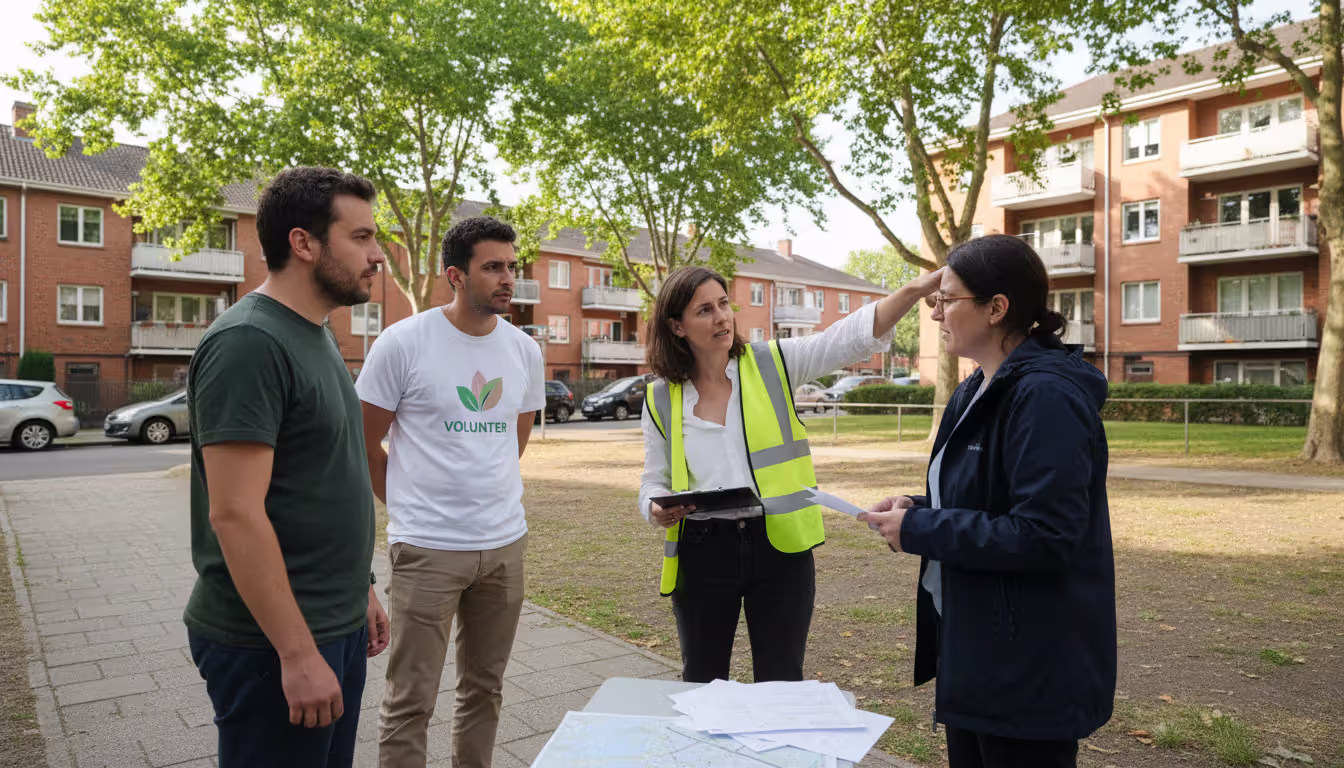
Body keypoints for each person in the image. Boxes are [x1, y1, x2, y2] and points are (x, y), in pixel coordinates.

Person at [858, 234, 1116, 768]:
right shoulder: (975, 387)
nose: (935, 314)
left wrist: (920, 530)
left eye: (947, 300)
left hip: (1028, 668)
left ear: (997, 308)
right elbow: (980, 496)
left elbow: (1046, 534)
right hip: (977, 650)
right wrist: (915, 507)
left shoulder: (1046, 397)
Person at [639, 265, 943, 684]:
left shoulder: (773, 363)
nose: (722, 317)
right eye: (705, 310)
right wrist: (653, 506)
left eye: (724, 304)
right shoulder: (659, 396)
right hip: (702, 551)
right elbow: (653, 478)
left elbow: (846, 337)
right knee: (703, 685)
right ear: (676, 326)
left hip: (779, 549)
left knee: (781, 684)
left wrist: (912, 289)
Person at [184, 166, 391, 768]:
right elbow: (236, 514)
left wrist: (362, 591)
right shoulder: (249, 343)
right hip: (271, 643)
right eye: (361, 238)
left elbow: (323, 479)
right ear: (304, 243)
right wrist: (297, 653)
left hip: (335, 622)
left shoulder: (317, 333)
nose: (376, 256)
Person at [357, 216, 546, 768]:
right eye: (493, 267)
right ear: (455, 276)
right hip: (428, 551)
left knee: (484, 691)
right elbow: (367, 446)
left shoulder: (523, 351)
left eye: (512, 266)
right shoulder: (403, 343)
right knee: (410, 701)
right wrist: (418, 509)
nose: (508, 278)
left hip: (505, 546)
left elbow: (515, 439)